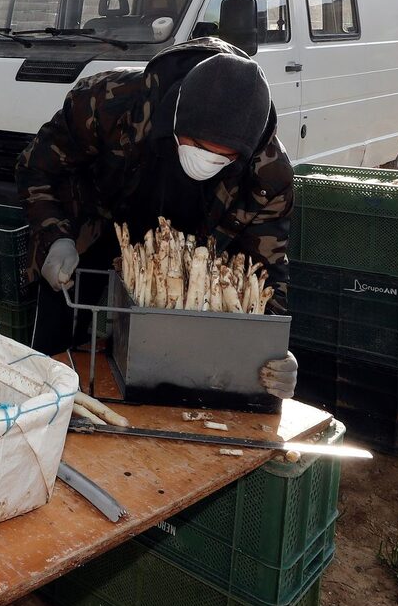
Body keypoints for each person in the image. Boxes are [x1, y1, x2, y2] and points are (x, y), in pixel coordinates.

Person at [15, 36, 298, 399]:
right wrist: (56, 236)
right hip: (93, 226)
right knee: (54, 346)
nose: (207, 160)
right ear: (177, 116)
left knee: (166, 373)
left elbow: (265, 270)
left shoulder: (268, 174)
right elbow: (37, 168)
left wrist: (271, 347)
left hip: (186, 269)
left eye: (223, 157)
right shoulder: (109, 101)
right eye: (197, 145)